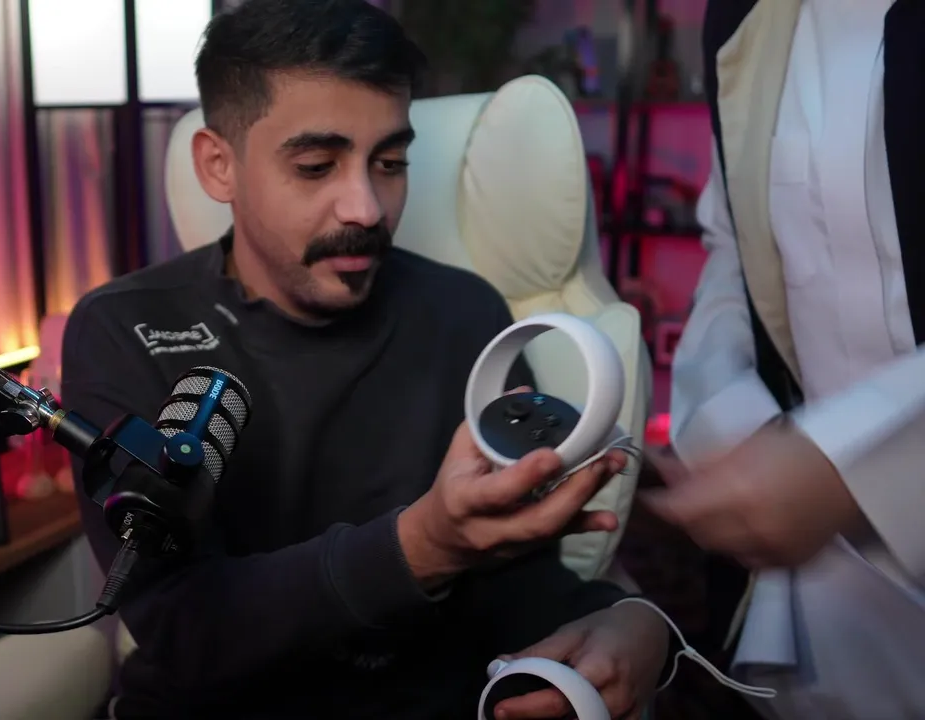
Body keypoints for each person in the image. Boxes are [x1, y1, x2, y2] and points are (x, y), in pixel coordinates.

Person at [60, 1, 674, 718]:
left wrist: (631, 621)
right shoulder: (126, 328)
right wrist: (421, 545)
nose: (367, 208)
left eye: (390, 163)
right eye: (316, 166)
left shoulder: (462, 312)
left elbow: (512, 578)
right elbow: (183, 628)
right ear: (219, 165)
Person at [645, 1, 925, 718]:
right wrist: (732, 421)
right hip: (811, 579)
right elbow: (732, 244)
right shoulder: (748, 18)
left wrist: (853, 465)